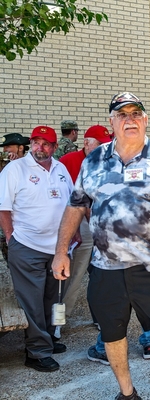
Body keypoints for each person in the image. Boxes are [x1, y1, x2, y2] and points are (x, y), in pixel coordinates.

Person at [51, 92, 150, 400]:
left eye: (136, 114)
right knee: (113, 336)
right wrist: (61, 251)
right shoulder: (94, 160)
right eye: (122, 114)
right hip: (107, 269)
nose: (130, 119)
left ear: (144, 120)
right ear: (112, 122)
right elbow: (75, 207)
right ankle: (127, 393)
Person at [0, 126, 72, 372]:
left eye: (46, 143)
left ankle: (49, 338)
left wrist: (72, 237)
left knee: (52, 297)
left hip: (58, 248)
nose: (40, 147)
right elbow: (4, 208)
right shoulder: (15, 169)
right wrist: (11, 239)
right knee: (31, 301)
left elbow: (71, 204)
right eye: (36, 142)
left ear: (54, 147)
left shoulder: (61, 169)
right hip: (27, 246)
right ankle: (36, 351)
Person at [59, 125, 112, 320]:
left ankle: (101, 316)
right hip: (77, 222)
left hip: (101, 222)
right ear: (87, 143)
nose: (104, 150)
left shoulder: (106, 161)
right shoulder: (67, 161)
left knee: (103, 274)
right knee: (74, 272)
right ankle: (59, 317)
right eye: (100, 145)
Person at [0, 132, 30, 261]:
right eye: (4, 147)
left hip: (24, 218)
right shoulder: (3, 162)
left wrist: (18, 164)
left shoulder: (31, 163)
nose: (5, 150)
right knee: (8, 251)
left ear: (20, 147)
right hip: (4, 216)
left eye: (8, 147)